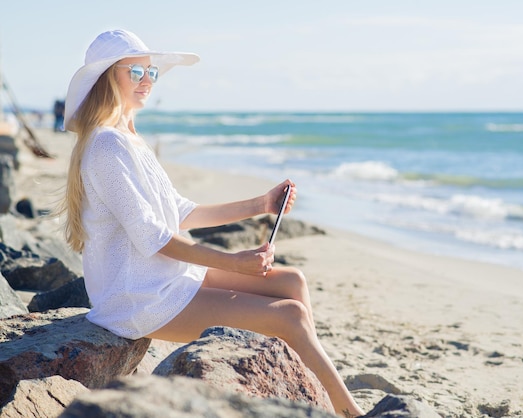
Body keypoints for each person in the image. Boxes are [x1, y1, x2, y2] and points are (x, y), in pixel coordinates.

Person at [59, 29, 364, 417]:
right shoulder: (106, 145)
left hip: (168, 278)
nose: (148, 80)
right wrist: (233, 263)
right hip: (138, 297)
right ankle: (350, 412)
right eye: (136, 72)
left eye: (151, 72)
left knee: (292, 282)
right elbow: (154, 237)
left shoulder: (128, 138)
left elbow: (181, 212)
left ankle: (306, 396)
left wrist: (262, 204)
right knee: (291, 315)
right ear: (107, 78)